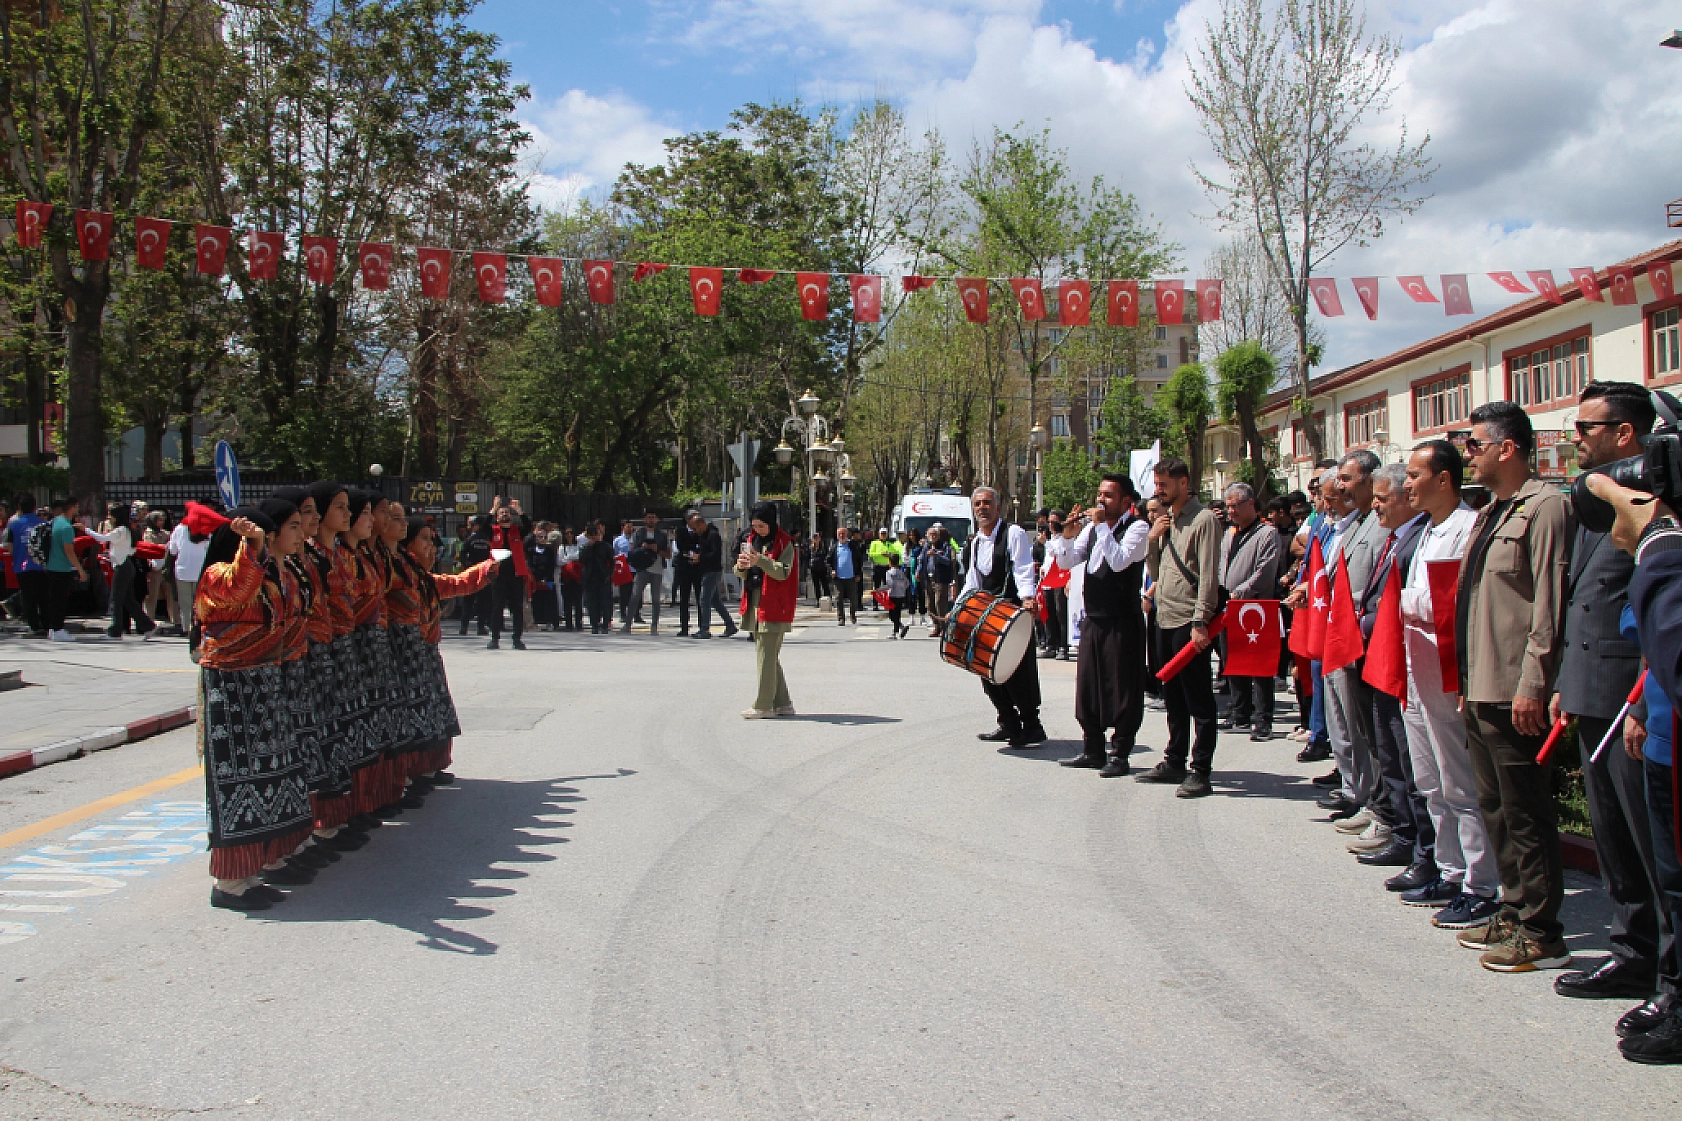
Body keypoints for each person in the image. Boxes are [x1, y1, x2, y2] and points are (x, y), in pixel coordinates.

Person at [1551, 382, 1670, 1004]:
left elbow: (1651, 607)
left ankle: (1665, 967)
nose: (1576, 438)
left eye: (1587, 428)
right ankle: (1633, 952)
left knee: (1653, 847)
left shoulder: (1652, 503)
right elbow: (1582, 600)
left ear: (1625, 433)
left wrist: (1645, 700)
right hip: (1590, 688)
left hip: (1633, 698)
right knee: (1613, 835)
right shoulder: (1596, 504)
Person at [1454, 400, 1574, 973]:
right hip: (1481, 681)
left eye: (1475, 444)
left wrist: (1534, 682)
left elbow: (1548, 605)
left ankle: (1543, 930)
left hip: (1513, 685)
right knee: (1494, 805)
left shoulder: (1545, 506)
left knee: (1526, 811)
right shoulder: (1490, 511)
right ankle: (1513, 904)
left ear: (1508, 448)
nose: (1468, 455)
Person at [1587, 468, 1682, 1061]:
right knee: (1671, 880)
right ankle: (1672, 994)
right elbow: (1640, 626)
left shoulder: (1666, 554)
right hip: (1663, 725)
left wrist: (1659, 545)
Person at [1398, 441, 1501, 927]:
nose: (1407, 484)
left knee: (1459, 779)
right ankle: (1450, 868)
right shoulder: (1424, 529)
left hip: (1446, 669)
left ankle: (1482, 883)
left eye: (1415, 474)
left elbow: (1453, 601)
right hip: (1417, 668)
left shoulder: (1467, 527)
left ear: (1444, 480)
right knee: (1430, 779)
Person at [195, 505, 314, 911]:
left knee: (266, 777)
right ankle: (229, 882)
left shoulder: (270, 578)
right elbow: (238, 590)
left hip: (262, 682)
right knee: (237, 784)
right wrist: (254, 548)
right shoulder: (217, 577)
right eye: (254, 544)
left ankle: (255, 868)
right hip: (230, 689)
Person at [1351, 463, 1434, 877]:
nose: (1376, 506)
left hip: (1405, 662)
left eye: (1384, 498)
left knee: (1407, 755)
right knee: (1389, 748)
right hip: (1380, 658)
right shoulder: (1394, 537)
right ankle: (1403, 835)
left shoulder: (1418, 537)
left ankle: (1422, 847)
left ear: (1406, 497)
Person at [1049, 474, 1150, 777]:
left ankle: (1120, 752)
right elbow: (1067, 563)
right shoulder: (1094, 529)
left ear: (1126, 501)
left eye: (1108, 495)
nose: (1100, 500)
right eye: (1099, 494)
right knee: (1089, 687)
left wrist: (1103, 526)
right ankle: (1093, 748)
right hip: (1094, 619)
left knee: (1122, 687)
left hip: (1122, 620)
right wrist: (1066, 535)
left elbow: (1119, 561)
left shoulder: (1138, 528)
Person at [1138, 459, 1222, 796]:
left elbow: (1208, 576)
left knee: (1198, 698)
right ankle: (1175, 760)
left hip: (1190, 621)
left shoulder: (1203, 521)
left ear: (1183, 482)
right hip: (1164, 617)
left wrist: (1201, 621)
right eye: (1157, 484)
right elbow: (1157, 575)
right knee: (1172, 697)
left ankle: (1200, 769)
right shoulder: (1166, 520)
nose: (1158, 490)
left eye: (1164, 484)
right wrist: (1152, 542)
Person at [961, 486, 1043, 748]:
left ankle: (1032, 726)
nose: (982, 508)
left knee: (1018, 673)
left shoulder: (1013, 534)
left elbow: (1022, 568)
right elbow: (972, 580)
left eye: (987, 503)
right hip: (986, 615)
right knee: (987, 669)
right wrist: (960, 608)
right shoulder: (974, 543)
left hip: (1011, 613)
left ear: (998, 507)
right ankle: (1008, 722)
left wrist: (1028, 597)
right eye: (977, 504)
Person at [1217, 482, 1282, 740]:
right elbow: (1222, 566)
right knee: (1232, 661)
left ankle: (1264, 718)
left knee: (1260, 666)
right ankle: (1240, 712)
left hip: (1256, 607)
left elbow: (1264, 572)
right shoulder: (1230, 533)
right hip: (1228, 607)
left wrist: (1239, 592)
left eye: (1235, 506)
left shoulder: (1267, 533)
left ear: (1251, 504)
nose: (1231, 511)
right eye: (1228, 506)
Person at [735, 502, 798, 717]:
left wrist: (760, 560)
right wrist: (742, 566)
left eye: (761, 525)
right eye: (754, 525)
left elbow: (783, 572)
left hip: (774, 606)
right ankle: (783, 703)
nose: (757, 530)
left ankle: (763, 705)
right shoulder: (751, 540)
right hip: (755, 602)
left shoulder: (785, 543)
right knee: (769, 656)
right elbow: (741, 570)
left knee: (765, 655)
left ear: (771, 523)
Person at [168, 505, 214, 656]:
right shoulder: (206, 529)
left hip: (183, 570)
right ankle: (199, 628)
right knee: (199, 602)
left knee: (185, 602)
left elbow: (173, 549)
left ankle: (186, 628)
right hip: (201, 570)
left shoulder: (179, 529)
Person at [486, 499, 531, 650]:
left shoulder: (517, 530)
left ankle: (517, 638)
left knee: (516, 608)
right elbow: (482, 527)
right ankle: (494, 638)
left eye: (507, 512)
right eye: (502, 512)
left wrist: (519, 510)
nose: (505, 514)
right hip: (498, 575)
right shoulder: (492, 531)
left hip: (516, 574)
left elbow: (529, 526)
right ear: (497, 517)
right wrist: (493, 508)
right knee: (497, 607)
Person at [41, 496, 85, 643]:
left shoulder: (56, 522)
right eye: (77, 507)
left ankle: (54, 628)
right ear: (72, 507)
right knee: (60, 600)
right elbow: (69, 551)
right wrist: (80, 569)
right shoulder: (66, 527)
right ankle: (58, 629)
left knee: (54, 599)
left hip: (51, 566)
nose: (78, 509)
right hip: (61, 568)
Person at [681, 512, 728, 638]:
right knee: (715, 601)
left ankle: (704, 629)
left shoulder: (713, 535)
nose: (695, 531)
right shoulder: (703, 535)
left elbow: (715, 554)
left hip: (712, 571)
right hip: (706, 570)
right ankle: (730, 625)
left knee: (704, 599)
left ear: (701, 524)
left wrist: (700, 557)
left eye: (696, 528)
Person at [6, 493, 46, 636]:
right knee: (43, 595)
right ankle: (46, 624)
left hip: (22, 565)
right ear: (35, 507)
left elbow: (10, 548)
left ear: (19, 507)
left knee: (28, 597)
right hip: (41, 565)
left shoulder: (14, 525)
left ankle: (34, 626)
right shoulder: (43, 524)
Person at [624, 510, 669, 635]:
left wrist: (657, 549)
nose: (650, 520)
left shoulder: (662, 535)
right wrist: (642, 549)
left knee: (655, 599)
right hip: (642, 569)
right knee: (634, 597)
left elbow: (669, 554)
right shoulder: (638, 534)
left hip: (657, 570)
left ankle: (654, 626)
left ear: (656, 520)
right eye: (648, 517)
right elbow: (631, 552)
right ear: (644, 519)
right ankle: (627, 624)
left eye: (653, 517)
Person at [141, 510, 178, 630]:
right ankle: (148, 620)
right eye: (159, 520)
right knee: (152, 595)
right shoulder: (148, 534)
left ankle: (176, 620)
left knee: (171, 594)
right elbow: (149, 547)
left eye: (163, 520)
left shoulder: (166, 534)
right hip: (154, 568)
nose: (161, 523)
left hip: (166, 567)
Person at [457, 517, 493, 635]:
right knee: (483, 602)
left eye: (470, 525)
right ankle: (481, 627)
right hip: (484, 573)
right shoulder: (488, 539)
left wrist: (467, 565)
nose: (468, 527)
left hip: (472, 573)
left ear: (476, 525)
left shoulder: (470, 539)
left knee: (468, 601)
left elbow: (462, 554)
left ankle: (464, 627)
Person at [580, 521, 615, 634]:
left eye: (596, 535)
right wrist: (589, 547)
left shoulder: (605, 546)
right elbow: (582, 559)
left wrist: (609, 573)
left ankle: (605, 624)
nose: (594, 537)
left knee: (605, 602)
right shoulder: (585, 547)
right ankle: (594, 624)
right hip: (590, 578)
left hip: (603, 577)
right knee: (592, 603)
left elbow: (612, 561)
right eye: (592, 535)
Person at [922, 525, 957, 636]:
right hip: (928, 578)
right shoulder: (926, 546)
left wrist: (936, 555)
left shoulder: (945, 546)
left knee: (939, 603)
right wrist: (918, 572)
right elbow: (921, 560)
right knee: (930, 604)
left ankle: (943, 628)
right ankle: (936, 626)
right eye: (930, 534)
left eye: (935, 534)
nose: (932, 536)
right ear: (926, 535)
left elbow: (948, 561)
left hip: (940, 579)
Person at [527, 521, 560, 630]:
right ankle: (537, 621)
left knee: (549, 600)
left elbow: (551, 565)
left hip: (547, 579)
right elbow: (530, 565)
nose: (542, 539)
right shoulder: (531, 551)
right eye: (540, 537)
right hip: (535, 579)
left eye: (545, 537)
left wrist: (545, 579)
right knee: (536, 600)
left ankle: (549, 621)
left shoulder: (549, 551)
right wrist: (536, 578)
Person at [830, 525, 865, 626]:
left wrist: (858, 573)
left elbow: (859, 560)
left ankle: (853, 615)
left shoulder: (853, 546)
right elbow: (828, 561)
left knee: (853, 598)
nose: (841, 535)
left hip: (851, 577)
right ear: (837, 536)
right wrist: (832, 570)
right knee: (839, 598)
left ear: (847, 535)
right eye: (840, 534)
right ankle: (841, 618)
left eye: (843, 534)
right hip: (838, 578)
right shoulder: (834, 547)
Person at [557, 527, 584, 632]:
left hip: (577, 577)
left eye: (571, 533)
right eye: (567, 533)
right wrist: (571, 559)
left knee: (578, 602)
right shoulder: (562, 547)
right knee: (567, 601)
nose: (569, 535)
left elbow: (580, 557)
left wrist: (568, 558)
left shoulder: (579, 546)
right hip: (566, 577)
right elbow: (559, 561)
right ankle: (568, 623)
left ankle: (579, 623)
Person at [613, 519, 638, 624]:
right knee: (624, 592)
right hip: (623, 569)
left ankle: (636, 614)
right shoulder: (618, 540)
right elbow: (615, 553)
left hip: (634, 568)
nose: (630, 529)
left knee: (636, 592)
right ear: (623, 527)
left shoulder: (636, 538)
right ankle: (623, 613)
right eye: (627, 526)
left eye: (631, 527)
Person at [867, 528, 898, 606]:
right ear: (879, 534)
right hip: (877, 566)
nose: (883, 535)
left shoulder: (890, 544)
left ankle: (886, 603)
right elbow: (871, 554)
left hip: (887, 567)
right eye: (882, 534)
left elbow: (894, 554)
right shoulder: (874, 543)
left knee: (887, 586)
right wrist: (880, 554)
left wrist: (888, 555)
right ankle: (875, 604)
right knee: (876, 586)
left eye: (885, 534)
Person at [883, 552, 911, 637]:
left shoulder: (889, 572)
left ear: (890, 562)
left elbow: (890, 584)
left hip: (892, 595)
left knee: (892, 615)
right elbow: (907, 583)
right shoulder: (901, 573)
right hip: (901, 595)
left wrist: (881, 589)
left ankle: (896, 631)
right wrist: (902, 589)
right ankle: (900, 628)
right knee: (897, 614)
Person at [808, 531, 832, 609]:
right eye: (814, 538)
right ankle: (818, 600)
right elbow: (808, 557)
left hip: (822, 568)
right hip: (814, 569)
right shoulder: (811, 548)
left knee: (825, 585)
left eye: (817, 538)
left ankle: (828, 600)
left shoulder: (823, 547)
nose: (816, 540)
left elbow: (827, 556)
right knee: (816, 586)